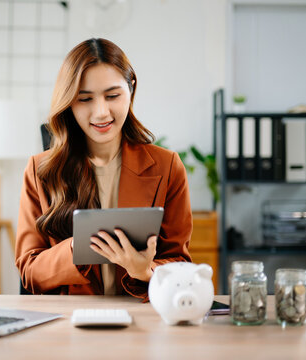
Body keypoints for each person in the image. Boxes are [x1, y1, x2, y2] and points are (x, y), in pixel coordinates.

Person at [15, 38, 192, 301]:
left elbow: (181, 263)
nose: (100, 112)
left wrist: (146, 271)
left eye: (112, 96)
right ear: (69, 103)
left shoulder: (167, 167)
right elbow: (29, 271)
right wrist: (76, 247)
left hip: (141, 321)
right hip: (69, 322)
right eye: (84, 99)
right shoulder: (39, 170)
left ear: (131, 89)